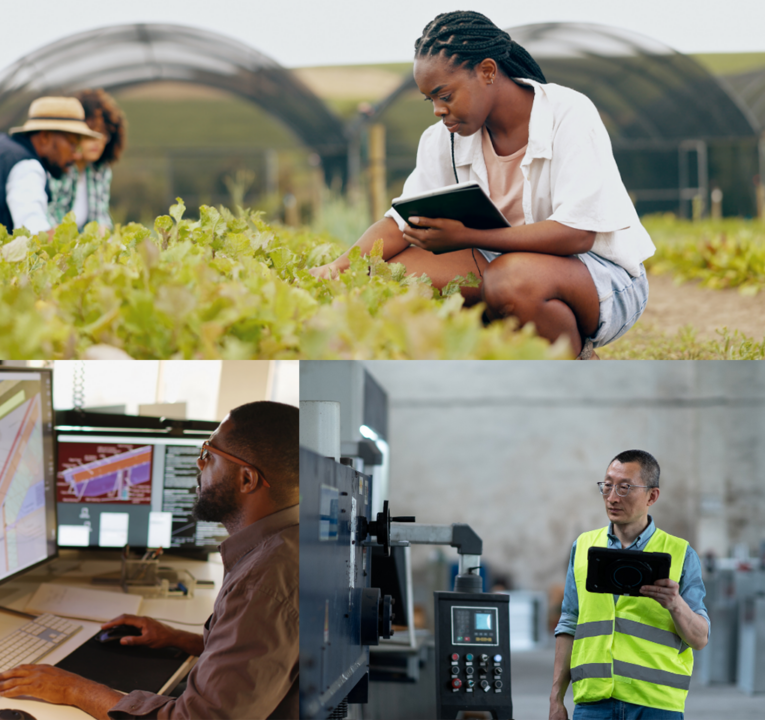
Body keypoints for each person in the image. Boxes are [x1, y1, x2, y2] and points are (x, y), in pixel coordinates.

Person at [310, 11, 655, 358]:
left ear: (487, 72)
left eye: (445, 95)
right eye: (430, 99)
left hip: (599, 274)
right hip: (500, 261)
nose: (437, 110)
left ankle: (576, 366)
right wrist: (338, 268)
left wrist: (467, 237)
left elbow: (577, 234)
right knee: (396, 277)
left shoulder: (568, 114)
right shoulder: (441, 140)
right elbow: (400, 223)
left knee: (510, 281)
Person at [0, 401, 299, 720]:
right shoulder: (284, 546)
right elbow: (258, 655)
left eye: (209, 454)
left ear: (246, 479)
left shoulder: (265, 583)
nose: (199, 464)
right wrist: (180, 640)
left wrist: (74, 689)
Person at [549, 450, 709, 720]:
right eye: (607, 485)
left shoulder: (680, 554)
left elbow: (700, 638)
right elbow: (569, 624)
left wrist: (675, 604)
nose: (612, 497)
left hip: (657, 705)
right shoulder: (584, 547)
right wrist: (556, 700)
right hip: (593, 703)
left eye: (624, 488)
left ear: (652, 496)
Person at [0, 96, 102, 234]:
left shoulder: (6, 148)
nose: (76, 155)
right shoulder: (27, 167)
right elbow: (34, 230)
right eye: (72, 144)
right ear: (45, 137)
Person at [48, 88, 126, 230]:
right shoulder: (58, 168)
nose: (98, 141)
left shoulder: (100, 170)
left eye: (104, 133)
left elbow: (100, 216)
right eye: (91, 133)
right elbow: (50, 218)